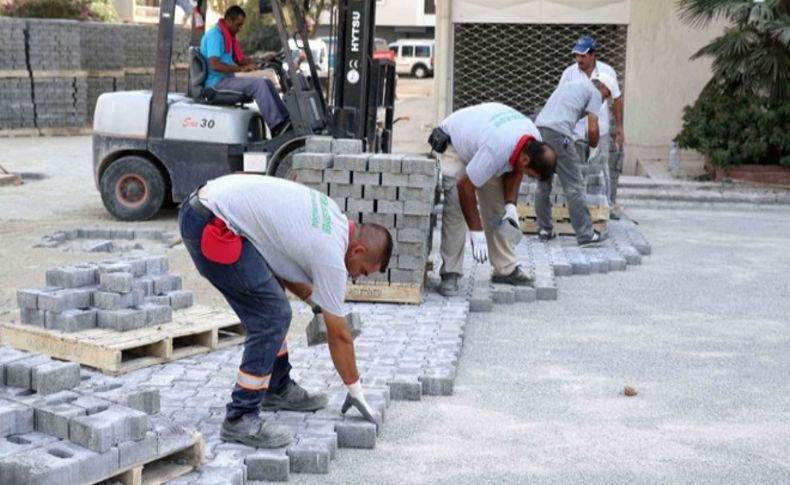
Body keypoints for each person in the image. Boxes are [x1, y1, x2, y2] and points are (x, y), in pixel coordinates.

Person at [178, 174, 393, 448]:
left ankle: (276, 388)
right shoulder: (331, 256)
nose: (356, 278)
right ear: (359, 250)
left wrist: (316, 304)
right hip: (213, 227)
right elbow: (340, 337)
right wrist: (355, 390)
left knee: (272, 305)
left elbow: (279, 262)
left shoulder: (332, 218)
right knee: (272, 316)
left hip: (207, 209)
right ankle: (240, 417)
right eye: (362, 271)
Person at [434, 102, 557, 297]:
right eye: (531, 175)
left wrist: (510, 206)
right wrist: (476, 231)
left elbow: (516, 169)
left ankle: (505, 268)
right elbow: (465, 187)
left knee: (497, 208)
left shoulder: (534, 141)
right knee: (456, 205)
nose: (529, 178)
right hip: (454, 143)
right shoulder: (497, 148)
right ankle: (450, 272)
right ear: (526, 160)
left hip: (483, 145)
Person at [534, 73, 617, 247]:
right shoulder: (594, 92)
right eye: (606, 96)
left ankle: (544, 230)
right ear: (602, 86)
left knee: (544, 182)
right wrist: (593, 148)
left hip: (539, 130)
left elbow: (561, 112)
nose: (603, 101)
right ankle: (586, 234)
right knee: (574, 184)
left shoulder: (572, 85)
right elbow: (593, 129)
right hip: (558, 134)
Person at [558, 35, 624, 218]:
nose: (579, 59)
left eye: (583, 55)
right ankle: (578, 207)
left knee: (601, 169)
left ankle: (607, 206)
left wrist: (619, 126)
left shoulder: (608, 72)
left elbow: (616, 99)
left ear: (593, 54)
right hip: (576, 131)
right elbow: (560, 98)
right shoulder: (569, 74)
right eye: (576, 55)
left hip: (600, 129)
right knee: (576, 168)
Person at [201, 6, 290, 135]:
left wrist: (262, 60)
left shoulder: (227, 37)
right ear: (229, 21)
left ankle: (285, 120)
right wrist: (241, 69)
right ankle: (277, 126)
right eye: (238, 25)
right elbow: (216, 65)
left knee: (267, 82)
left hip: (226, 79)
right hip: (216, 83)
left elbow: (241, 60)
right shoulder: (215, 36)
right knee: (258, 85)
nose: (239, 29)